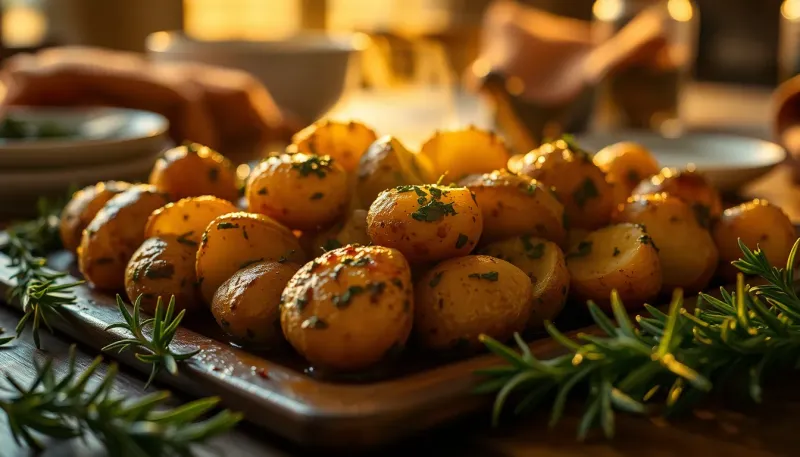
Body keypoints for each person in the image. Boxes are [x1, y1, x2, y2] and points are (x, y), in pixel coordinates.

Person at [0, 46, 296, 160]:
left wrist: (202, 162)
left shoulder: (41, 77)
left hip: (226, 119)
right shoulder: (33, 79)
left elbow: (181, 97)